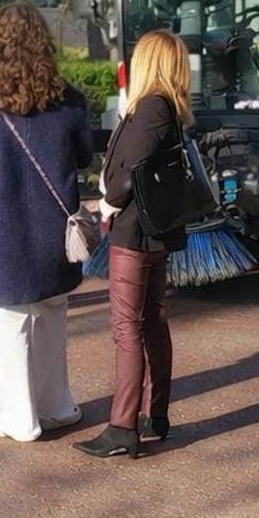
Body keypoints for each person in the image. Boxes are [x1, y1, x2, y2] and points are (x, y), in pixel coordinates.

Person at [0, 4, 92, 441]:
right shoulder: (70, 102)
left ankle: (17, 418)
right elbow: (84, 157)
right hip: (53, 233)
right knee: (51, 318)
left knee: (7, 328)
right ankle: (56, 407)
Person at [77, 29, 192, 459]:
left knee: (127, 327)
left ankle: (123, 425)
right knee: (152, 321)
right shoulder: (165, 107)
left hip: (134, 232)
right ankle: (153, 414)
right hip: (154, 231)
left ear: (148, 61)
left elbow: (132, 172)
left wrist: (106, 205)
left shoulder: (151, 108)